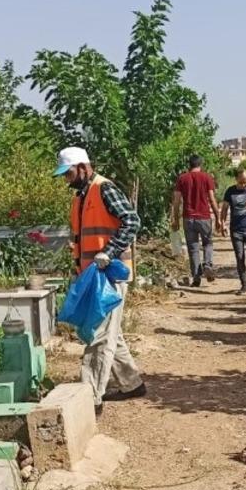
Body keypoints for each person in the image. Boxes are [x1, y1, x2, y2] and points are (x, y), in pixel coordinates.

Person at [56, 146, 146, 415]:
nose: (66, 179)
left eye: (69, 173)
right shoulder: (80, 197)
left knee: (98, 336)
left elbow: (131, 221)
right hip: (93, 276)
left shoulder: (103, 189)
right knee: (111, 334)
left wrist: (109, 251)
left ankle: (90, 397)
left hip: (111, 274)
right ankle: (132, 384)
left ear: (83, 167)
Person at [172, 154, 224, 287]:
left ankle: (196, 277)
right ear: (200, 164)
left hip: (188, 218)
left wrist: (175, 219)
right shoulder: (207, 177)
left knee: (193, 247)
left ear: (189, 164)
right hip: (204, 217)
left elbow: (177, 201)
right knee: (207, 243)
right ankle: (207, 264)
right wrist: (218, 218)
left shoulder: (182, 178)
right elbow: (212, 199)